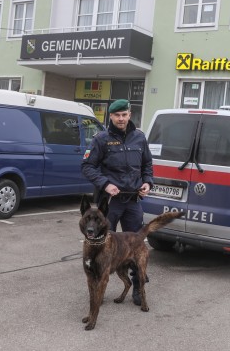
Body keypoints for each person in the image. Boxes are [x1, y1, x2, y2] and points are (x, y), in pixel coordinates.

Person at [81, 99, 154, 306]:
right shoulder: (101, 139)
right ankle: (98, 287)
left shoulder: (139, 138)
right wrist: (105, 184)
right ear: (110, 117)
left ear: (130, 115)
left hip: (132, 201)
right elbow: (87, 166)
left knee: (136, 247)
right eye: (117, 115)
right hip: (109, 204)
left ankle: (138, 288)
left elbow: (147, 164)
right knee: (101, 247)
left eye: (124, 114)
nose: (121, 119)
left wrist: (147, 182)